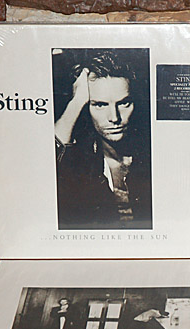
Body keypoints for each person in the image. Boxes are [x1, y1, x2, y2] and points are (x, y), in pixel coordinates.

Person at [54, 49, 152, 229]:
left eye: (124, 103)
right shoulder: (80, 166)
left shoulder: (154, 155)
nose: (114, 117)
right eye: (100, 105)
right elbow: (42, 170)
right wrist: (76, 102)